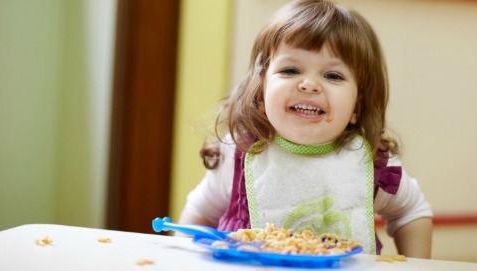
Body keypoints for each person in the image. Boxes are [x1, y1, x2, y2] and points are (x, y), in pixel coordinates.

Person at [178, 0, 433, 258]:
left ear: (358, 104)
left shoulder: (371, 163)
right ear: (261, 90)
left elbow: (412, 212)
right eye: (290, 70)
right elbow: (200, 213)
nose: (310, 84)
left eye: (333, 76)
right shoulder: (240, 153)